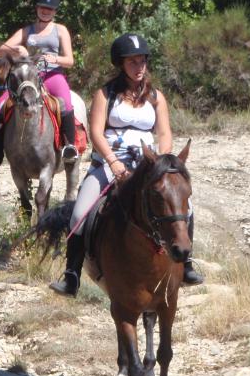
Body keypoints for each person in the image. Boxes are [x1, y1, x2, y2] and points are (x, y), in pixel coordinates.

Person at [49, 32, 204, 297]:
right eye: (133, 62)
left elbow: (165, 133)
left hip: (148, 166)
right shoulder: (105, 94)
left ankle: (186, 264)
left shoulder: (156, 97)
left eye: (142, 61)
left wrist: (160, 162)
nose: (139, 67)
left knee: (185, 208)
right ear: (121, 64)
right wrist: (113, 161)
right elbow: (96, 132)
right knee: (79, 215)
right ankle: (72, 276)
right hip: (109, 164)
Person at [0, 0, 78, 166]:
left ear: (55, 11)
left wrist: (54, 58)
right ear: (36, 8)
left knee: (66, 104)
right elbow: (0, 48)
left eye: (50, 9)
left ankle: (69, 146)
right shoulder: (26, 31)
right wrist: (19, 50)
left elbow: (70, 60)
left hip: (52, 74)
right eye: (42, 7)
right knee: (0, 106)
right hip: (27, 77)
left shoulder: (60, 30)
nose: (46, 11)